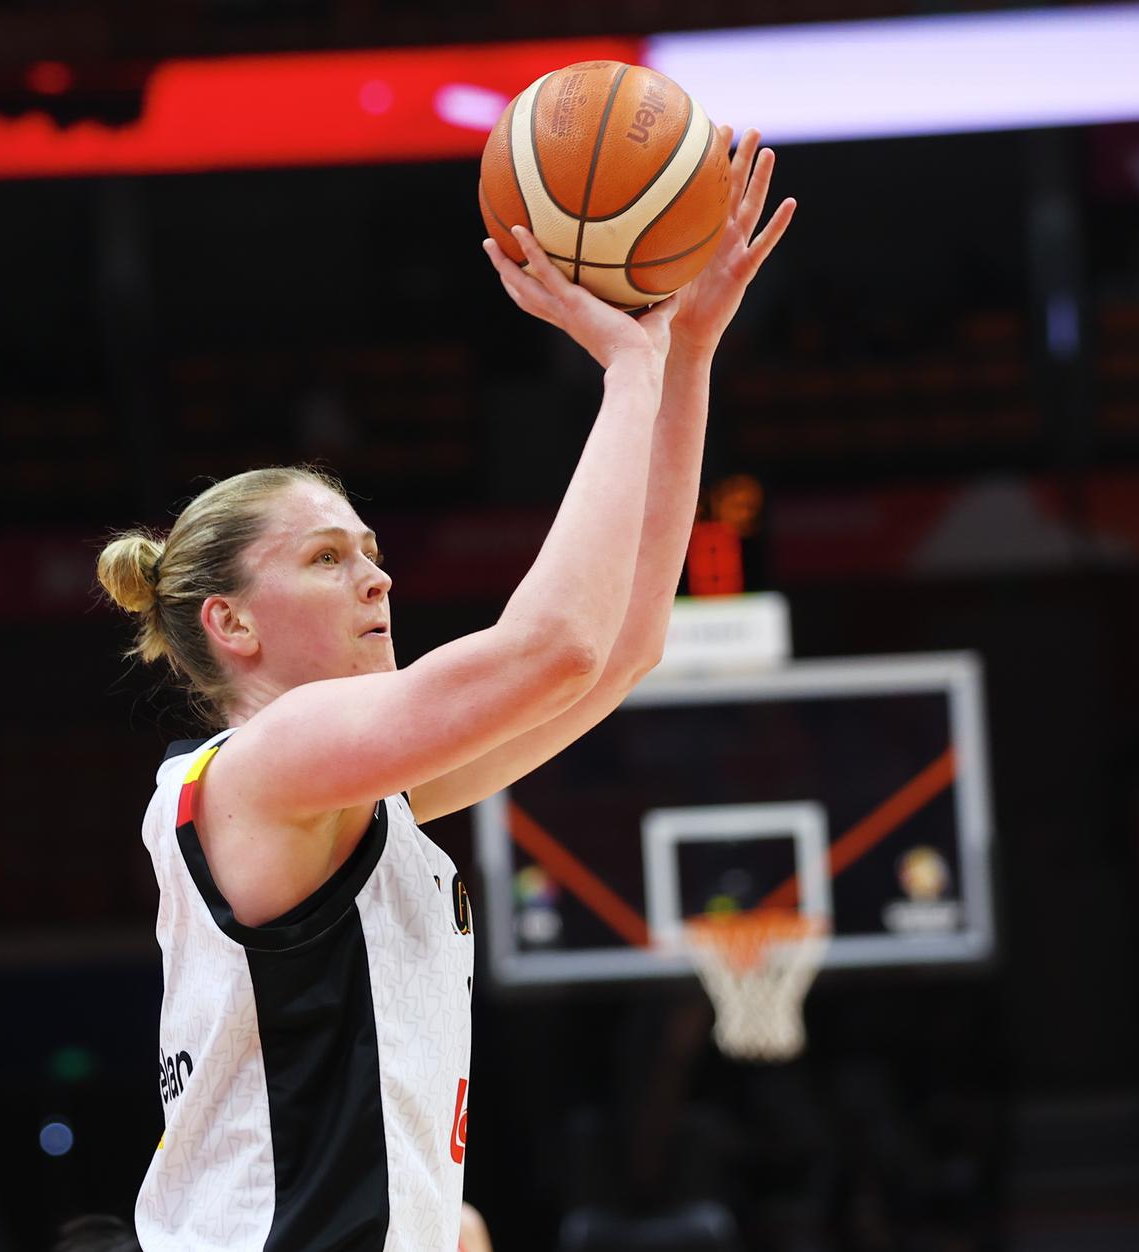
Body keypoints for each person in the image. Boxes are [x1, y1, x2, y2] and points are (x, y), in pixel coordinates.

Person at [97, 129, 795, 1252]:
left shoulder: (354, 803)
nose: (375, 574)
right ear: (228, 621)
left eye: (371, 548)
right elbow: (554, 645)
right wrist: (624, 372)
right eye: (327, 557)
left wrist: (687, 355)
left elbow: (620, 650)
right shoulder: (270, 765)